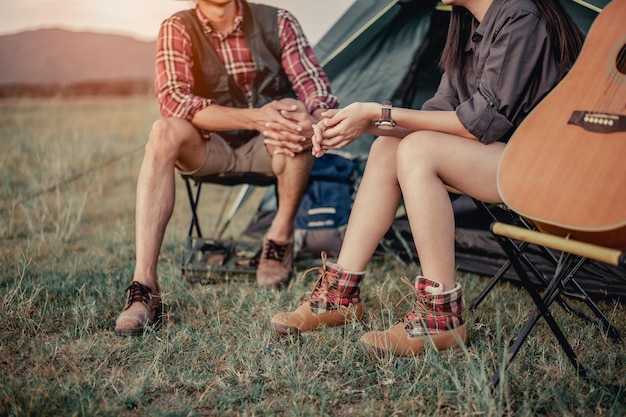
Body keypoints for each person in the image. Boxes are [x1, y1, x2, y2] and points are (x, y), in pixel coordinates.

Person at [270, 0, 584, 356]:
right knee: (388, 149)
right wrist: (360, 124)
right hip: (500, 158)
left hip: (545, 170)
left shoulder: (521, 16)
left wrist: (378, 112)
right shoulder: (465, 24)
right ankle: (339, 295)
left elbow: (482, 121)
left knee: (418, 150)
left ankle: (442, 316)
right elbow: (439, 113)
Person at [115, 0, 337, 336]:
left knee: (295, 114)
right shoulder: (178, 26)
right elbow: (174, 99)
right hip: (208, 146)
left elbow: (316, 90)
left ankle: (279, 237)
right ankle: (144, 285)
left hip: (270, 146)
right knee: (163, 131)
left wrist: (313, 119)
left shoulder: (278, 21)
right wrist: (257, 117)